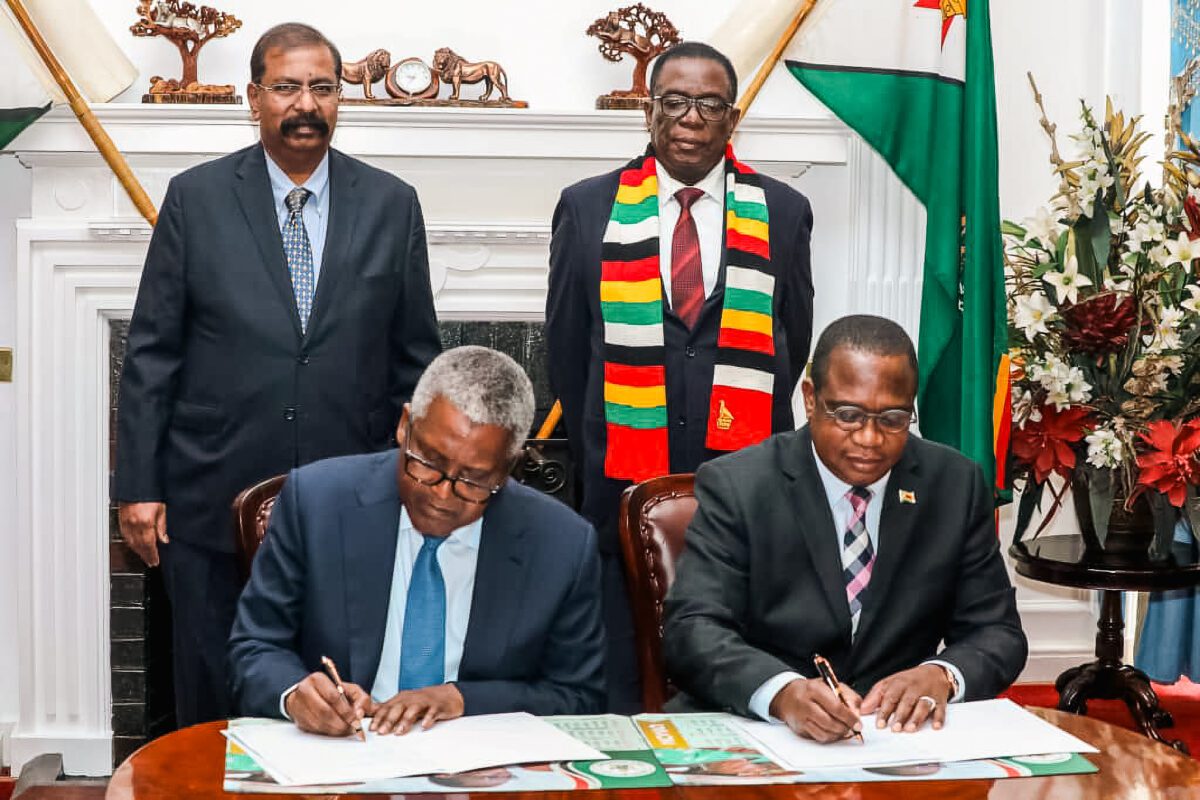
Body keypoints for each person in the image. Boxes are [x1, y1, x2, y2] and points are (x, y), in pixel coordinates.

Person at [112, 22, 441, 727]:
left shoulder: (392, 203)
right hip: (210, 493)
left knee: (335, 694)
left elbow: (416, 360)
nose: (306, 104)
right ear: (254, 96)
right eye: (287, 87)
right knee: (211, 688)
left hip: (349, 499)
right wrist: (138, 486)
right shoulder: (195, 198)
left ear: (340, 97)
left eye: (323, 87)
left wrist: (419, 481)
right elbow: (152, 352)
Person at [546, 41, 815, 712]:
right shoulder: (587, 207)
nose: (690, 118)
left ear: (733, 118)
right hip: (621, 482)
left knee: (734, 678)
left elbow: (792, 340)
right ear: (649, 111)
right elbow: (568, 353)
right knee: (623, 680)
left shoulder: (783, 212)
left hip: (743, 483)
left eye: (709, 104)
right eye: (674, 101)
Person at [662, 315, 1026, 742]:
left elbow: (997, 631)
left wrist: (942, 674)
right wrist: (781, 692)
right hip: (761, 734)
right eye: (849, 415)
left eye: (892, 418)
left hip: (896, 741)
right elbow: (692, 628)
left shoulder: (954, 485)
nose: (869, 438)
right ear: (810, 399)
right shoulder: (740, 485)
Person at [228, 347, 606, 735]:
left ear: (508, 468)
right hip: (343, 753)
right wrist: (295, 694)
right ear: (405, 425)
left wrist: (463, 699)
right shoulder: (316, 503)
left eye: (474, 480)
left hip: (479, 760)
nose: (442, 496)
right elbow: (255, 647)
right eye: (428, 462)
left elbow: (579, 696)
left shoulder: (562, 544)